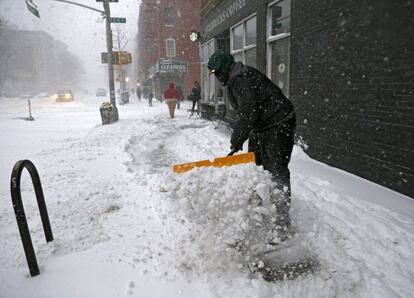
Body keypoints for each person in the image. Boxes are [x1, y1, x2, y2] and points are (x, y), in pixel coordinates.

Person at [207, 49, 296, 239]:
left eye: (215, 72)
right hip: (262, 125)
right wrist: (242, 136)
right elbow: (251, 113)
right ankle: (257, 211)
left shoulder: (240, 79)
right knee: (255, 167)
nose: (215, 76)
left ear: (223, 69)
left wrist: (237, 137)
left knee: (276, 170)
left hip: (279, 122)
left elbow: (249, 111)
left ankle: (282, 224)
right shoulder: (237, 77)